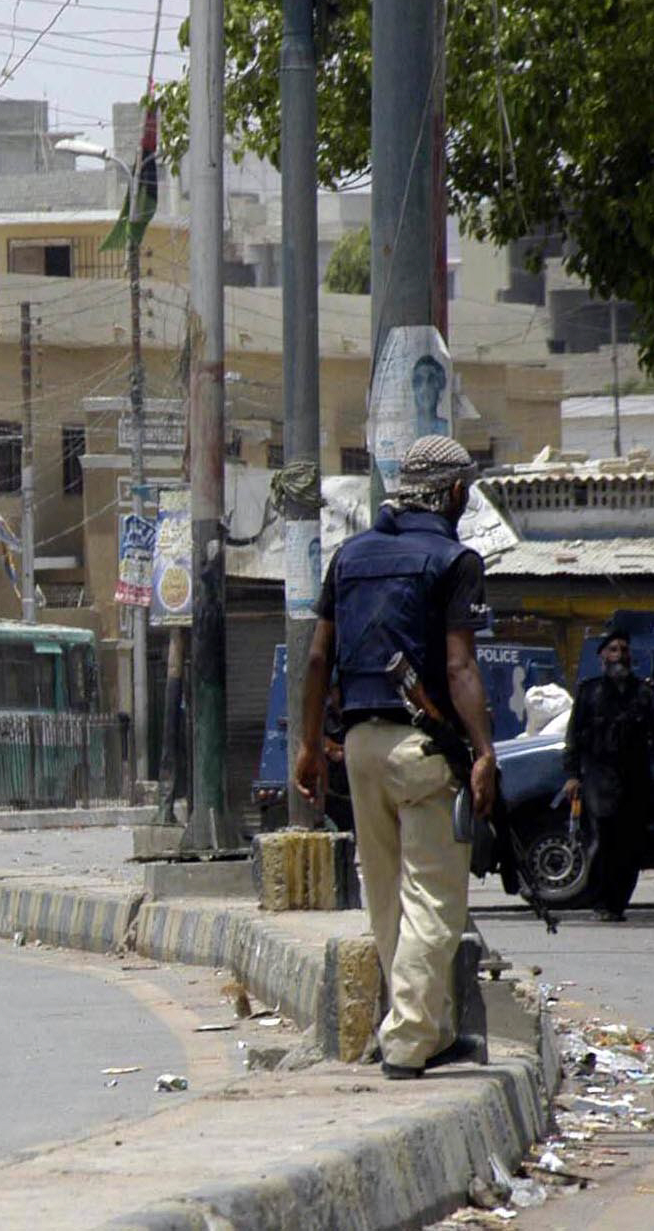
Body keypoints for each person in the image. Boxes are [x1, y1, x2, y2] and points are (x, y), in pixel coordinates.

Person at [294, 435, 496, 1080]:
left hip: (358, 747)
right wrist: (486, 751)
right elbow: (460, 665)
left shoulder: (350, 556)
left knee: (384, 896)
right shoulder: (453, 559)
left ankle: (432, 1031)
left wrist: (305, 746)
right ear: (456, 492)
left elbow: (318, 659)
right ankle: (407, 1044)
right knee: (435, 900)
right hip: (423, 749)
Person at [563, 630, 654, 921]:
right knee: (603, 838)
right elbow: (574, 738)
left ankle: (617, 905)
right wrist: (571, 775)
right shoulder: (589, 692)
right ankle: (601, 901)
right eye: (614, 649)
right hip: (598, 777)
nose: (620, 655)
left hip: (634, 778)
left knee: (630, 844)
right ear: (603, 656)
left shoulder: (642, 693)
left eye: (624, 650)